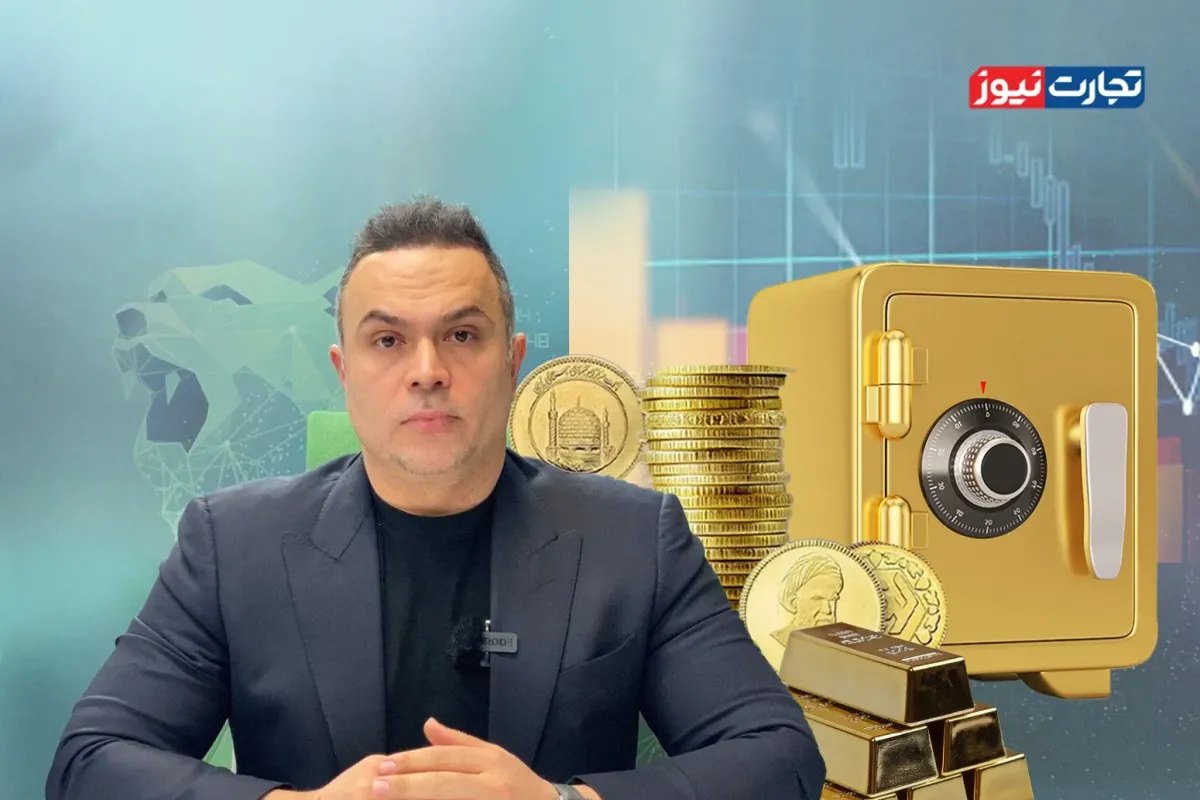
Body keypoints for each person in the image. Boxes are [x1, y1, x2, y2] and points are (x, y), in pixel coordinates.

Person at [46, 197, 826, 800]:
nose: (426, 370)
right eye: (387, 340)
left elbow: (780, 758)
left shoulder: (634, 539)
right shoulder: (230, 543)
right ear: (344, 371)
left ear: (513, 362)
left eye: (461, 335)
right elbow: (90, 763)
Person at [770, 554, 845, 647]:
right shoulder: (776, 642)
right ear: (793, 602)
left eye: (832, 599)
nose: (827, 610)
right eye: (817, 599)